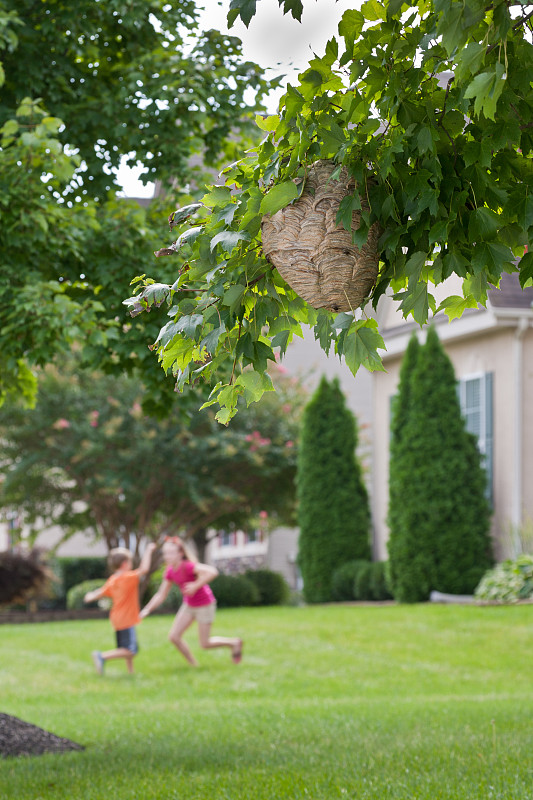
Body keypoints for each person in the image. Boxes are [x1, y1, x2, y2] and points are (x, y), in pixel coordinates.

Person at [140, 536, 243, 667]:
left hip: (205, 604)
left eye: (171, 553)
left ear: (180, 553)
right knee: (174, 637)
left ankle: (234, 643)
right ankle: (194, 665)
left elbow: (212, 571)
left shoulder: (188, 566)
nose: (167, 556)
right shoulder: (170, 571)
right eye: (165, 553)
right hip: (189, 605)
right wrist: (147, 610)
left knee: (205, 644)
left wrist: (195, 585)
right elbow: (161, 594)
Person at [83, 542, 156, 675]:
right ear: (124, 564)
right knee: (131, 650)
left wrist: (90, 596)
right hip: (126, 619)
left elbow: (101, 592)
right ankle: (102, 656)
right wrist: (149, 550)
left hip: (117, 618)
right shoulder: (128, 577)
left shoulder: (113, 579)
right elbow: (144, 569)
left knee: (125, 647)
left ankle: (131, 672)